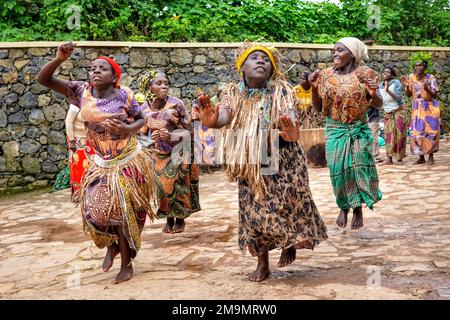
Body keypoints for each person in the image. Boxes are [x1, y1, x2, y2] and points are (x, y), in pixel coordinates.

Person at [197, 43, 327, 282]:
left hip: (285, 158)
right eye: (254, 58)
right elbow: (224, 116)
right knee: (254, 212)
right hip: (253, 163)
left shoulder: (281, 90)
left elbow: (291, 117)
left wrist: (292, 131)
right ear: (242, 67)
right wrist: (213, 121)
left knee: (289, 204)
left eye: (266, 60)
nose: (261, 62)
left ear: (272, 69)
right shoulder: (231, 92)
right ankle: (262, 262)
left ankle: (290, 242)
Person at [37, 42, 159, 284]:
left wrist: (127, 128)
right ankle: (112, 246)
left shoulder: (125, 94)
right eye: (92, 68)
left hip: (127, 160)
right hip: (99, 162)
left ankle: (126, 263)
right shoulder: (79, 90)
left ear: (114, 76)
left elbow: (141, 120)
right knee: (95, 213)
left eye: (102, 68)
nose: (95, 71)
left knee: (123, 213)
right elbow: (44, 79)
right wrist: (59, 59)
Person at [309, 37, 383, 230]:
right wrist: (314, 89)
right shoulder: (324, 75)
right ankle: (344, 206)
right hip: (335, 129)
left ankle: (357, 208)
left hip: (359, 128)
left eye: (340, 50)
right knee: (338, 172)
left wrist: (373, 94)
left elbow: (378, 104)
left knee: (358, 168)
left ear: (352, 53)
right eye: (333, 50)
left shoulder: (366, 74)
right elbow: (318, 108)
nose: (335, 53)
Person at [138, 69, 200, 234]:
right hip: (158, 153)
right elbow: (141, 133)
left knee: (177, 185)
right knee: (162, 188)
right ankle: (168, 218)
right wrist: (151, 138)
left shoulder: (176, 104)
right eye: (159, 83)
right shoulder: (143, 110)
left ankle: (179, 219)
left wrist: (170, 135)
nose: (164, 86)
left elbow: (190, 132)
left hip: (178, 150)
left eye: (166, 83)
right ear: (148, 88)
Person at [402, 56, 440, 165]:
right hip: (417, 108)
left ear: (425, 67)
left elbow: (435, 96)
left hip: (430, 108)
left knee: (430, 132)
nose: (418, 67)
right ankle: (421, 157)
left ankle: (431, 157)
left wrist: (427, 88)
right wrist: (407, 86)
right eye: (417, 65)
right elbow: (409, 95)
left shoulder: (430, 78)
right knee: (417, 132)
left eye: (421, 65)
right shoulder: (411, 77)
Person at [65, 103, 94, 197]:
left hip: (89, 140)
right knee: (77, 166)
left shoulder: (91, 103)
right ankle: (79, 192)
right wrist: (71, 141)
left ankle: (89, 190)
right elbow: (68, 122)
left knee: (90, 165)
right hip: (76, 141)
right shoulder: (75, 106)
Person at [379, 66, 407, 165]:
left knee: (399, 134)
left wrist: (388, 91)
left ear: (392, 75)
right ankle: (389, 158)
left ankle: (399, 158)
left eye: (388, 72)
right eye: (384, 72)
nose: (385, 73)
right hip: (387, 113)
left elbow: (399, 98)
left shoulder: (396, 83)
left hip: (398, 111)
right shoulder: (380, 86)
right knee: (388, 135)